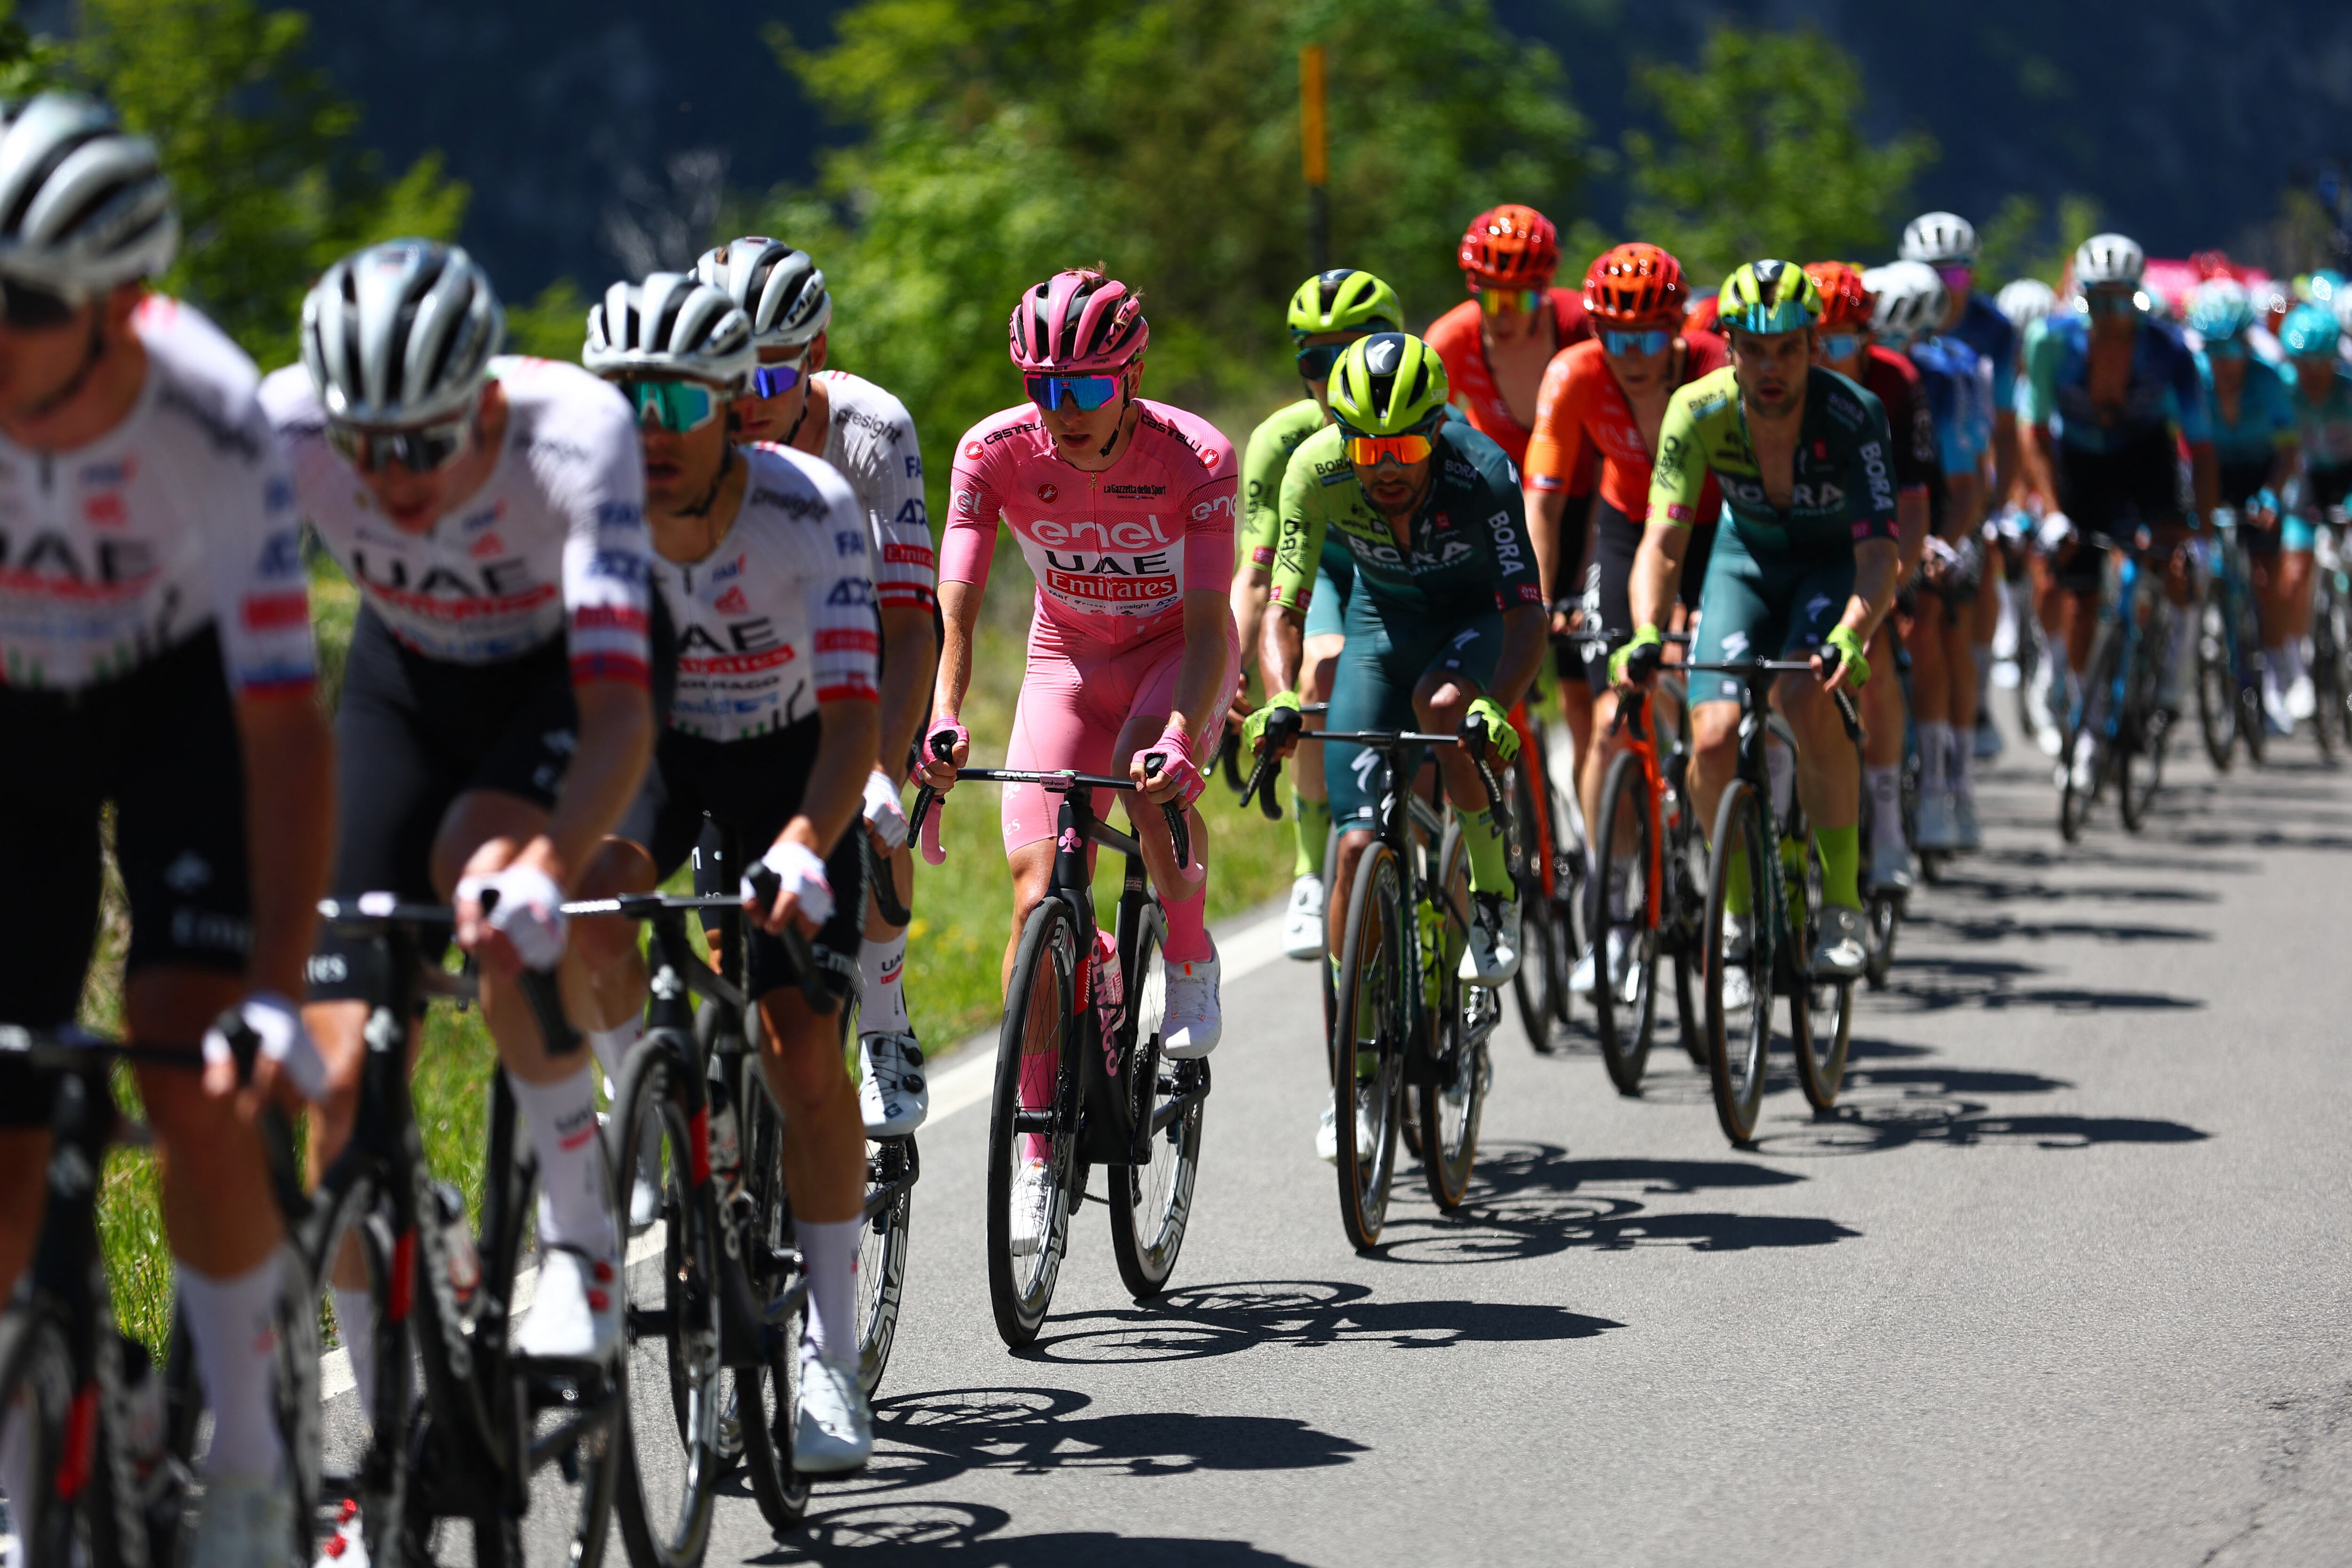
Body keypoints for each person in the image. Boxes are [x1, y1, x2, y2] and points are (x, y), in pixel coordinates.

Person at [0, 93, 333, 1566]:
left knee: (193, 1062)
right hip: (18, 708)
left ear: (117, 310)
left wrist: (277, 983)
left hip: (178, 703)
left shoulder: (208, 415)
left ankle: (254, 1468)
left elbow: (281, 727)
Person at [266, 241, 656, 1392]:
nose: (393, 477)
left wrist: (549, 861)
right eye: (366, 446)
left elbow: (621, 711)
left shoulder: (576, 430)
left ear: (483, 402)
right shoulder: (280, 425)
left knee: (484, 881)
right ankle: (388, 1435)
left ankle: (581, 1242)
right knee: (338, 1095)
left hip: (550, 681)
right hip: (406, 677)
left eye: (426, 443)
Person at [572, 270, 881, 1470]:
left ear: (727, 409)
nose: (648, 430)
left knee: (801, 1046)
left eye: (677, 402)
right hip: (653, 746)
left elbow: (855, 722)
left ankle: (834, 1362)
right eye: (625, 400)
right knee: (592, 900)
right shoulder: (582, 509)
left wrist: (808, 842)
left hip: (790, 758)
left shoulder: (810, 509)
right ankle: (635, 1097)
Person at [918, 269, 1237, 1249]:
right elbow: (959, 601)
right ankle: (1032, 1152)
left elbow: (1206, 621)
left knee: (1144, 783)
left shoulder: (1196, 457)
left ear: (1130, 378)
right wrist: (942, 712)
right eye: (1044, 389)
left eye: (1088, 389)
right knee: (1034, 898)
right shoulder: (992, 451)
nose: (1064, 413)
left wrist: (1184, 736)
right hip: (1064, 659)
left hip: (1169, 658)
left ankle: (1187, 954)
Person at [1249, 333, 1544, 1159]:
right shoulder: (1316, 468)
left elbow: (1527, 611)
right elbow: (1287, 605)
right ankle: (1357, 1067)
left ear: (1438, 427)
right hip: (1382, 626)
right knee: (1351, 850)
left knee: (1444, 707)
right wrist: (1280, 696)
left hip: (1471, 624)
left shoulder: (1482, 470)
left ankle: (1492, 896)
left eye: (1406, 445)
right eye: (1366, 444)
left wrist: (1499, 705)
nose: (1384, 464)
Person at [697, 237, 937, 1138]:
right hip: (747, 654)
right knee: (729, 932)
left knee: (873, 826)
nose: (744, 406)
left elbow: (912, 623)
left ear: (818, 355)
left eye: (769, 381)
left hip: (869, 641)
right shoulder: (693, 427)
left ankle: (883, 1021)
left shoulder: (874, 430)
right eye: (726, 380)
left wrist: (881, 769)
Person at [1612, 260, 1902, 987]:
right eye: (1754, 348)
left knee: (1806, 698)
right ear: (1730, 347)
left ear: (1814, 346)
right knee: (1709, 735)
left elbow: (1879, 555)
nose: (1771, 367)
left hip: (1828, 564)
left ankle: (1840, 906)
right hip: (1745, 563)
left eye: (1789, 348)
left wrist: (1854, 635)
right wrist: (1646, 628)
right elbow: (1664, 541)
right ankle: (1736, 910)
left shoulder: (1854, 413)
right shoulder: (1698, 409)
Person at [1520, 241, 1725, 995]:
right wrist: (1535, 600)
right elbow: (1542, 499)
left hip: (1713, 531)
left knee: (1708, 684)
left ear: (1677, 328)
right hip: (1624, 528)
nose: (1631, 353)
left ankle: (1726, 833)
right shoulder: (1575, 372)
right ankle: (1611, 908)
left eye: (1647, 336)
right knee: (1612, 715)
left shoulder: (1712, 367)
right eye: (1614, 334)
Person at [1227, 269, 1405, 959]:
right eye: (1314, 359)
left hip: (1409, 580)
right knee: (1319, 676)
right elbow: (1258, 574)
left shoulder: (1430, 425)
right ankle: (1310, 868)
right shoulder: (1282, 441)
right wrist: (1231, 671)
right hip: (1328, 575)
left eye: (1352, 351)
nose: (1332, 376)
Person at [2013, 232, 2216, 790]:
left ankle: (2171, 678)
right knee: (2077, 604)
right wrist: (2051, 512)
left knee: (2177, 567)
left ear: (2136, 296)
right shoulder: (2050, 342)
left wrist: (2196, 531)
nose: (2106, 315)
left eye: (2118, 301)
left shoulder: (2169, 350)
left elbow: (2199, 449)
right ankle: (2083, 723)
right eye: (2094, 301)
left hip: (2145, 460)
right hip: (2080, 465)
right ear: (2079, 298)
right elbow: (2031, 434)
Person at [1808, 260, 1939, 880]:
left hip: (1875, 534)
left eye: (1840, 344)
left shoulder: (1896, 382)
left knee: (1876, 657)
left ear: (1868, 340)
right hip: (1807, 535)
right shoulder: (1779, 382)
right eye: (1815, 343)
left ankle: (1887, 823)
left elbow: (1914, 502)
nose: (1825, 358)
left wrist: (1893, 582)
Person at [1878, 259, 1994, 852]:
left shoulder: (1949, 377)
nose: (1893, 348)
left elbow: (1967, 488)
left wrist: (1941, 542)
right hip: (1889, 503)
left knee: (1931, 629)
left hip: (1948, 505)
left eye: (1903, 336)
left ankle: (1948, 786)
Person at [1901, 212, 2018, 763]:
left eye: (1954, 277)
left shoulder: (1993, 330)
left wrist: (1999, 503)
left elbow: (2004, 424)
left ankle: (1976, 690)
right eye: (1928, 275)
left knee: (1973, 565)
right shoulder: (1889, 319)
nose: (1942, 290)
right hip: (1917, 466)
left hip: (1969, 465)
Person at [2189, 283, 2303, 734]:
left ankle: (2274, 675)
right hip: (2212, 469)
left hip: (2260, 472)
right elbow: (2184, 447)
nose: (2225, 363)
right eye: (2215, 352)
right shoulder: (2195, 376)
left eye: (2233, 350)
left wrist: (2274, 492)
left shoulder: (2269, 378)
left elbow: (2288, 449)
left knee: (2264, 574)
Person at [1424, 205, 1591, 469]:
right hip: (1498, 484)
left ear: (1544, 290)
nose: (1504, 317)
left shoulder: (1579, 325)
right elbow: (1425, 437)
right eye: (1491, 298)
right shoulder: (1450, 339)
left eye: (1521, 300)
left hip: (1581, 484)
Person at [2279, 303, 2352, 729]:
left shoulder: (2347, 391)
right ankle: (2296, 665)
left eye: (2319, 364)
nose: (2310, 374)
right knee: (2293, 573)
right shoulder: (2285, 390)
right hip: (2307, 479)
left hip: (2348, 477)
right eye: (2301, 364)